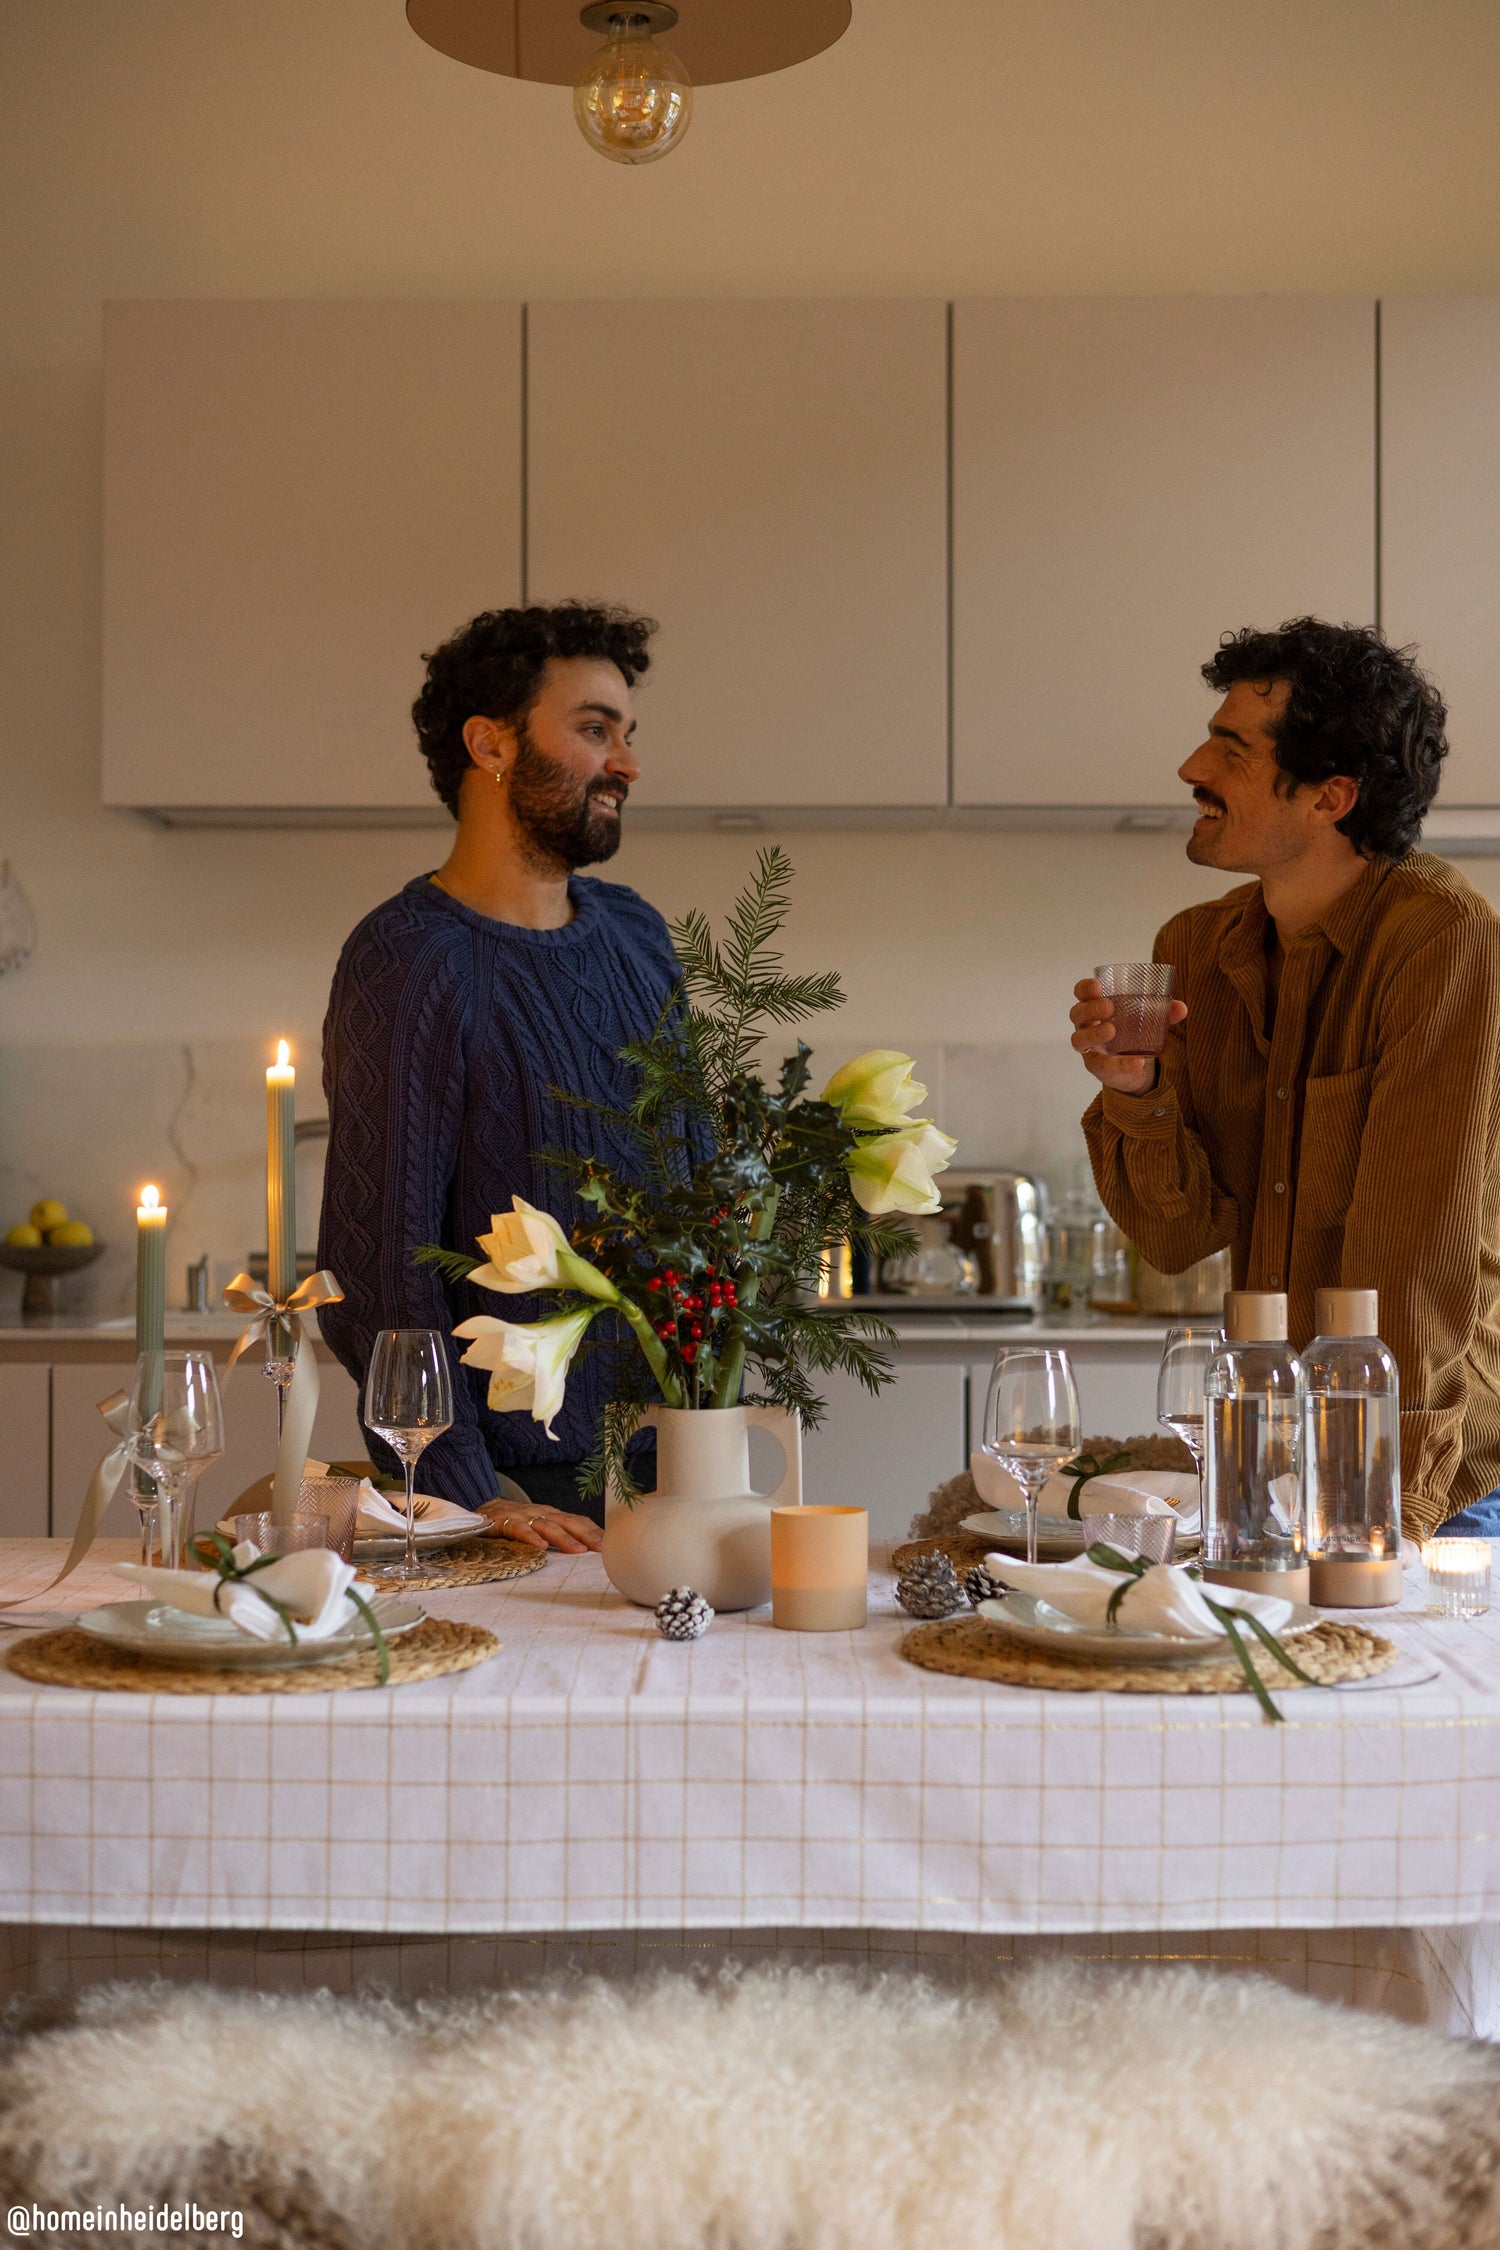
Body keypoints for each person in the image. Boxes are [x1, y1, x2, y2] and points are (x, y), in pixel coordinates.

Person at [1072, 617, 1500, 1543]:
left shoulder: (1441, 942)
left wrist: (1384, 1511)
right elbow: (1177, 1235)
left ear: (1330, 796)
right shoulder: (1194, 948)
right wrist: (1132, 1088)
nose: (1192, 766)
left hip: (1432, 1480)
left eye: (1230, 748)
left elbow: (1417, 1262)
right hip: (1275, 1459)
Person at [318, 601, 683, 1553]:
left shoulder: (638, 937)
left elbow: (695, 1197)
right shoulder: (409, 958)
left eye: (628, 734)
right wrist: (469, 1495)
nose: (628, 764)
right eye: (595, 729)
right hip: (527, 1492)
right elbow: (380, 1271)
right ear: (491, 744)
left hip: (683, 1456)